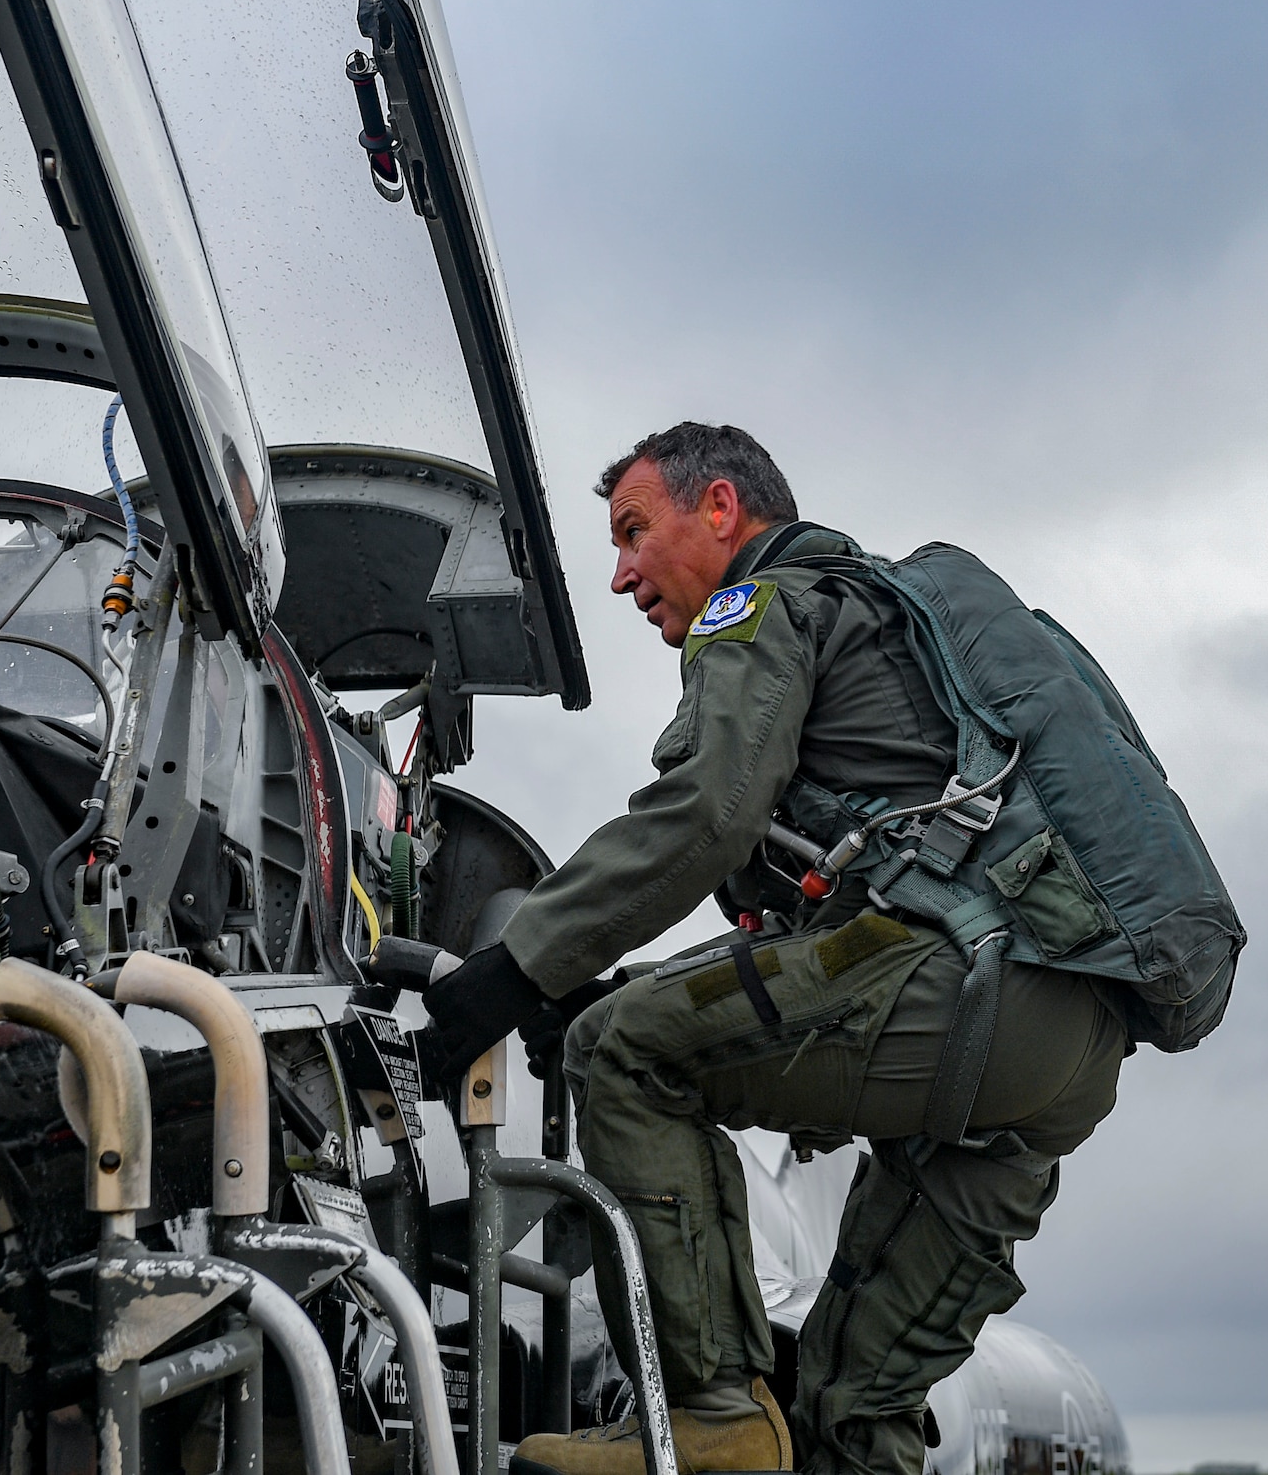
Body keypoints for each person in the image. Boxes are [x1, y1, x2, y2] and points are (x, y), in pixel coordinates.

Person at [420, 423, 1131, 1475]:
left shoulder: (758, 609)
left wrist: (515, 970)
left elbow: (701, 818)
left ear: (719, 510)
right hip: (1065, 1049)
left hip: (956, 993)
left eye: (630, 533)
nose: (618, 576)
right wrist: (630, 978)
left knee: (621, 1052)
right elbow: (814, 930)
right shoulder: (884, 625)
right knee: (852, 1414)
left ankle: (707, 1405)